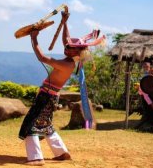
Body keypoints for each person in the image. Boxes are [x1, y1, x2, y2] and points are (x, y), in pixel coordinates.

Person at [19, 11, 105, 166]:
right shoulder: (72, 59)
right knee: (45, 124)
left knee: (31, 124)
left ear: (77, 51)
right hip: (49, 96)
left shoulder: (67, 64)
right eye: (67, 46)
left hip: (47, 97)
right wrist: (64, 22)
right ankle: (62, 153)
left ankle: (36, 158)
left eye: (71, 47)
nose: (67, 47)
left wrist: (34, 38)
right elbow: (66, 39)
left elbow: (43, 58)